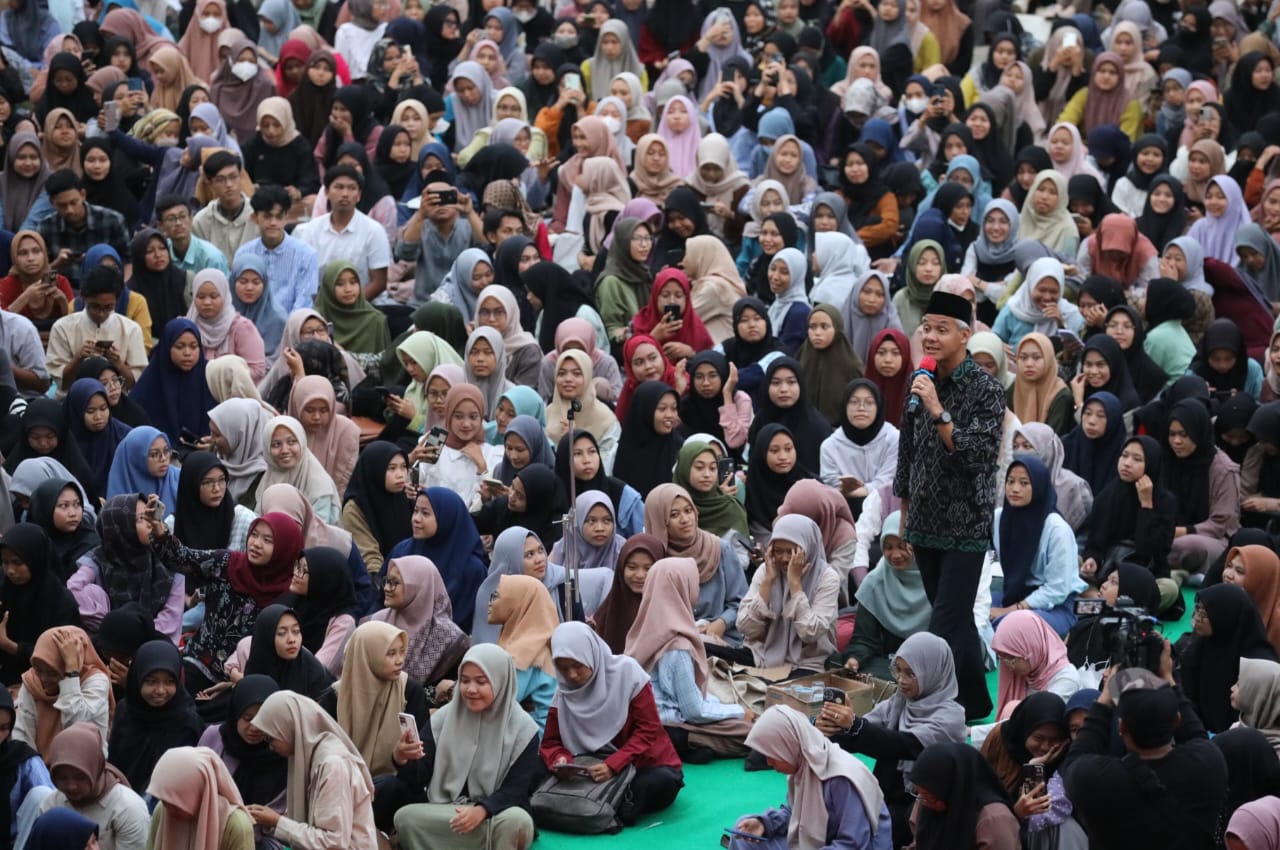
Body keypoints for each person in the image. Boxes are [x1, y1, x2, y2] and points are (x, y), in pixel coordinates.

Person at [893, 289, 1003, 720]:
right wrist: (903, 516)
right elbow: (907, 453)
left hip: (964, 523)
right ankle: (974, 701)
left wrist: (939, 410)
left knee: (943, 621)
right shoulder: (920, 379)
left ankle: (925, 709)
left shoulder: (986, 389)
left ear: (966, 334)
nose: (931, 337)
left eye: (942, 329)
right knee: (954, 623)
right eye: (927, 328)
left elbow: (976, 452)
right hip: (923, 519)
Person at [819, 632, 966, 849]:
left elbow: (901, 744)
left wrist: (854, 726)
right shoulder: (900, 701)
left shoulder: (950, 717)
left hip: (921, 806)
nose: (901, 680)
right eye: (898, 670)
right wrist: (830, 730)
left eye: (911, 673)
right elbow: (866, 730)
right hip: (885, 796)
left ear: (932, 672)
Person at [391, 644, 540, 850]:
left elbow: (516, 790)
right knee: (405, 817)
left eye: (481, 681)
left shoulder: (523, 729)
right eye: (465, 680)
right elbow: (419, 778)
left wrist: (482, 810)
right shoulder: (444, 718)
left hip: (494, 814)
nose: (470, 689)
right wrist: (402, 758)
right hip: (447, 811)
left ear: (501, 682)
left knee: (516, 821)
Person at [1061, 672, 1227, 850]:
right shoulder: (1207, 765)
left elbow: (1077, 756)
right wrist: (1168, 676)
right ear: (1177, 721)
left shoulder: (1096, 780)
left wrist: (1105, 698)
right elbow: (1197, 735)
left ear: (1121, 727)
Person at [541, 622, 684, 825]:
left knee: (661, 781)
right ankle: (604, 807)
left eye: (578, 665)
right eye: (563, 668)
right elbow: (550, 742)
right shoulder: (564, 692)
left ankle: (592, 807)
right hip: (588, 768)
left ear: (591, 654)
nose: (572, 675)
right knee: (534, 769)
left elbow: (648, 729)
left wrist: (614, 764)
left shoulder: (627, 673)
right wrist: (562, 761)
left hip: (638, 763)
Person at [728, 704, 892, 850]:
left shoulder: (842, 778)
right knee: (743, 834)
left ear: (788, 745)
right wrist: (765, 823)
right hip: (821, 841)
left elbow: (854, 843)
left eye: (773, 754)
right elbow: (796, 813)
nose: (769, 763)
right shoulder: (804, 765)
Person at [246, 690, 378, 849]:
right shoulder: (307, 754)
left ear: (289, 727)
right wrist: (270, 820)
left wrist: (277, 821)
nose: (270, 747)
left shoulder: (333, 765)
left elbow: (333, 843)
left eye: (271, 738)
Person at [989, 456, 1084, 635]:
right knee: (971, 612)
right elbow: (988, 555)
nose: (1015, 489)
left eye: (1024, 483)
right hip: (1013, 595)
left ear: (1039, 486)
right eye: (1011, 482)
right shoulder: (1000, 518)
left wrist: (1011, 610)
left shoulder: (1056, 529)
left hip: (1056, 606)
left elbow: (1057, 589)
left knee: (1012, 627)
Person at [737, 515, 840, 671]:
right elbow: (746, 628)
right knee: (707, 651)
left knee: (782, 693)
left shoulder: (827, 577)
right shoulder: (767, 570)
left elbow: (810, 633)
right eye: (778, 551)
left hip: (808, 661)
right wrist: (768, 581)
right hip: (763, 653)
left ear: (808, 547)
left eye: (792, 552)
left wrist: (795, 584)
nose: (784, 559)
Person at [107, 640, 203, 792]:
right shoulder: (126, 710)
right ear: (137, 678)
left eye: (170, 682)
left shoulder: (186, 723)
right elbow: (114, 760)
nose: (160, 690)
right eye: (151, 682)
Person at [1181, 583, 1278, 733]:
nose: (1196, 618)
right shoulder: (1200, 642)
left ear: (1225, 617)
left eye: (1204, 614)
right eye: (1197, 609)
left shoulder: (1258, 666)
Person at [36, 723, 148, 850]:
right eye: (63, 778)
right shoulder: (51, 805)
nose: (71, 786)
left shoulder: (127, 809)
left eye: (80, 777)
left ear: (96, 769)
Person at [13, 627, 113, 758]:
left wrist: (71, 674)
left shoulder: (95, 681)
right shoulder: (32, 682)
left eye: (52, 672)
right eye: (39, 670)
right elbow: (22, 736)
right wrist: (35, 772)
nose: (43, 679)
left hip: (83, 769)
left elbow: (77, 729)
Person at [368, 556, 469, 686]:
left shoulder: (449, 637)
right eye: (386, 581)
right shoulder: (376, 622)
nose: (386, 588)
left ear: (419, 588)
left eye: (394, 582)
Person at [145, 745, 255, 850]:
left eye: (177, 803)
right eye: (164, 800)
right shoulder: (163, 810)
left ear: (198, 791)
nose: (169, 808)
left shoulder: (236, 826)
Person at [991, 610, 1081, 716]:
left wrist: (975, 731)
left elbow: (1035, 720)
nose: (1007, 665)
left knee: (1012, 708)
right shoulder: (1029, 672)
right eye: (1001, 657)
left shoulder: (1066, 680)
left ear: (1033, 648)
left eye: (1011, 657)